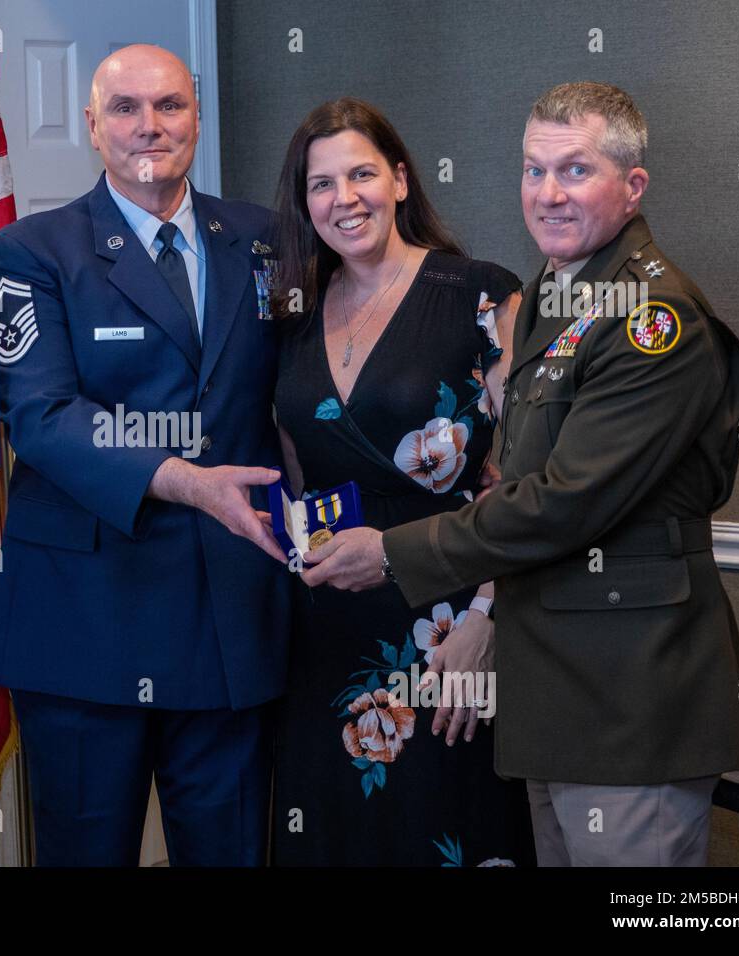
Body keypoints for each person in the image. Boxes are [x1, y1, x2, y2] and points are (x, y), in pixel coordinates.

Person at [306, 82, 739, 867]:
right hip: (556, 698)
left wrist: (390, 551)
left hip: (630, 701)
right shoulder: (558, 287)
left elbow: (563, 502)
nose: (547, 194)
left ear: (633, 185)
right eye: (532, 171)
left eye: (575, 171)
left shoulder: (656, 318)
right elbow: (519, 469)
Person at [0, 44, 290, 866]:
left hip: (230, 614)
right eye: (125, 109)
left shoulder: (265, 239)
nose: (149, 127)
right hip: (88, 616)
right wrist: (185, 481)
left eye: (170, 106)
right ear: (90, 125)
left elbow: (319, 379)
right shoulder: (31, 250)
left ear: (197, 116)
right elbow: (41, 417)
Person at [269, 98, 536, 866]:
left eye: (361, 174)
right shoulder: (292, 312)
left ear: (401, 179)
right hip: (325, 634)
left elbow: (529, 474)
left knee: (444, 830)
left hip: (447, 627)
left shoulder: (480, 294)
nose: (343, 198)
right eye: (322, 184)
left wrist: (491, 615)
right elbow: (294, 473)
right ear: (304, 202)